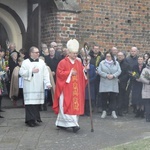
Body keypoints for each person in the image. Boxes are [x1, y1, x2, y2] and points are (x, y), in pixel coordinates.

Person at [53, 39, 87, 133]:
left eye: (76, 53)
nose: (75, 55)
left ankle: (62, 123)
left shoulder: (78, 63)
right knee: (66, 105)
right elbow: (59, 73)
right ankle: (73, 125)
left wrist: (85, 71)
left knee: (75, 105)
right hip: (66, 88)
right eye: (73, 53)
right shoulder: (63, 62)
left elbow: (82, 74)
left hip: (76, 89)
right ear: (69, 53)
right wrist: (70, 73)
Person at [19, 46, 52, 127]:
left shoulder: (41, 62)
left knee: (36, 103)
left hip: (38, 86)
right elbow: (21, 72)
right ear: (31, 53)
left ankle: (36, 118)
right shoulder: (25, 62)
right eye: (36, 52)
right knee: (30, 103)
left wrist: (47, 83)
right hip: (29, 86)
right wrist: (31, 71)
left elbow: (45, 73)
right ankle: (30, 120)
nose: (38, 54)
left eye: (38, 52)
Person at [97, 51, 121, 119]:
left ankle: (113, 111)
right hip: (104, 82)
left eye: (109, 56)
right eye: (107, 56)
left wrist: (113, 75)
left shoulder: (116, 63)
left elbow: (119, 71)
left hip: (113, 82)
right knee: (104, 97)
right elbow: (99, 71)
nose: (108, 58)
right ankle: (104, 111)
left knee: (113, 98)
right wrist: (106, 75)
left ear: (112, 57)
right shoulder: (102, 63)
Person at [117, 52, 130, 116]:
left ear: (123, 56)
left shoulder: (126, 64)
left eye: (121, 55)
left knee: (121, 97)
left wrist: (120, 79)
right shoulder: (115, 63)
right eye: (118, 55)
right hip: (114, 82)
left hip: (122, 83)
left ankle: (120, 110)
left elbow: (127, 74)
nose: (119, 57)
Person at [139, 57, 150, 122]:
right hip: (147, 89)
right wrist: (148, 82)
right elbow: (141, 78)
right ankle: (148, 117)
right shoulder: (145, 70)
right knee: (147, 104)